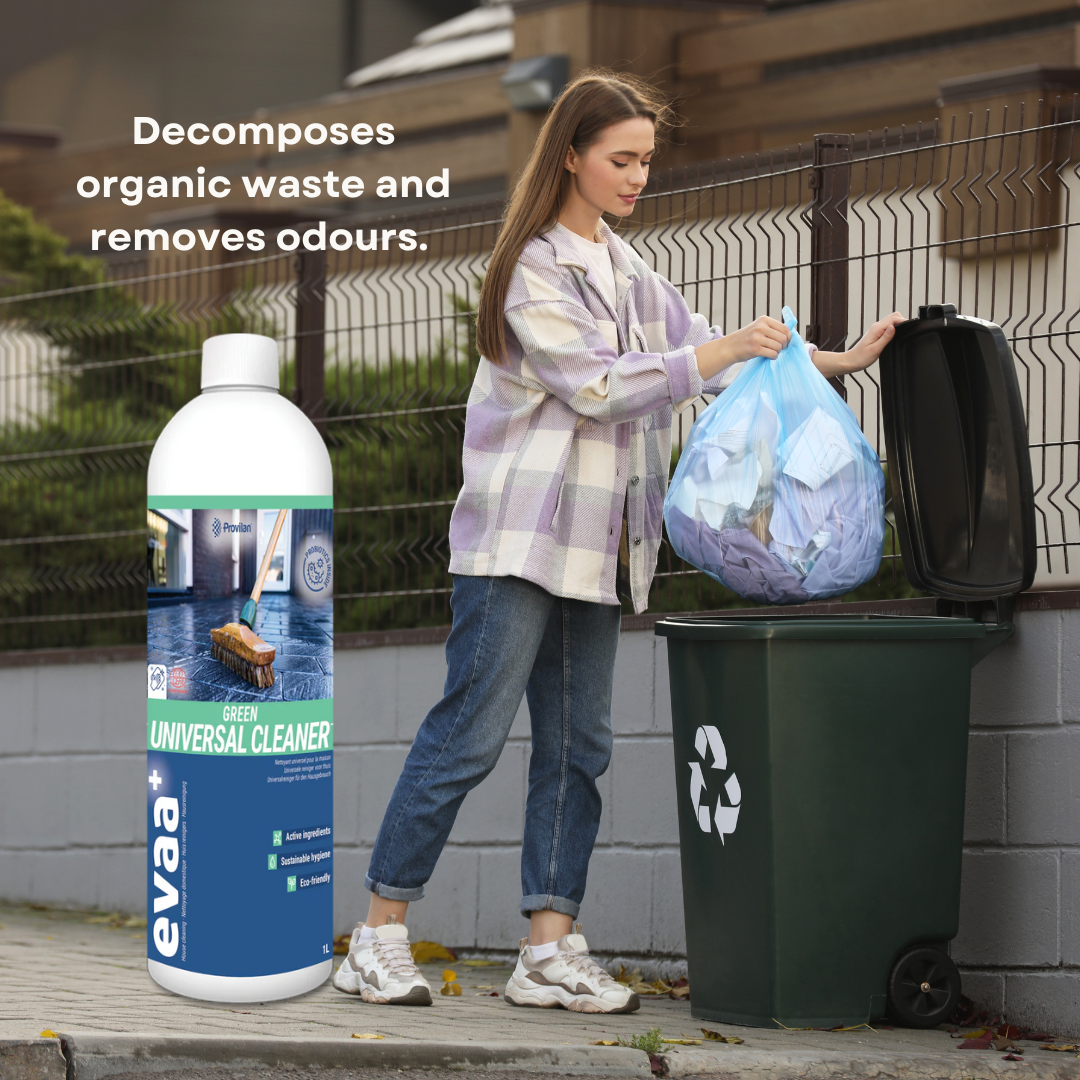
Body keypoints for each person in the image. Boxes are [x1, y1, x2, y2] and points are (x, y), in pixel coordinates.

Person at [333, 69, 903, 1012]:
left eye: (646, 160)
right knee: (468, 736)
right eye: (622, 159)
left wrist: (827, 361)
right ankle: (379, 932)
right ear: (572, 155)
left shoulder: (627, 267)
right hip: (517, 546)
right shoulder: (533, 271)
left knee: (579, 747)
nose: (639, 177)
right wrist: (717, 355)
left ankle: (547, 951)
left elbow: (709, 353)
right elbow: (602, 383)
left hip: (599, 548)